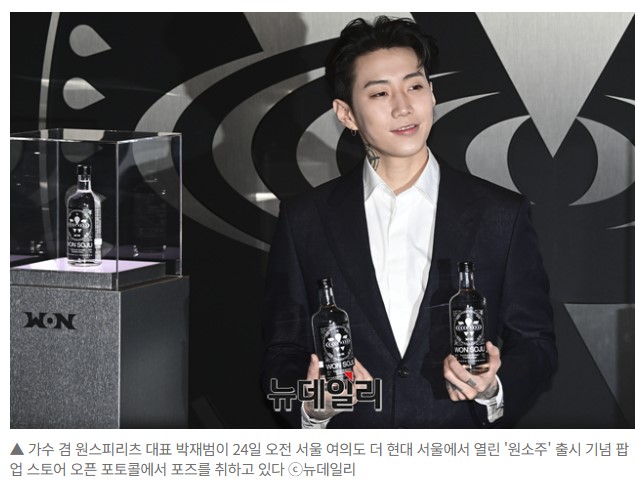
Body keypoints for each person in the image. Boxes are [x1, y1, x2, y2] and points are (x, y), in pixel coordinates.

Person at [262, 16, 557, 429]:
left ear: (432, 93)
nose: (403, 107)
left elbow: (536, 343)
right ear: (346, 114)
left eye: (414, 86)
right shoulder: (304, 219)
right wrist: (314, 405)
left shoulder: (500, 214)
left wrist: (493, 387)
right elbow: (283, 350)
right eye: (380, 93)